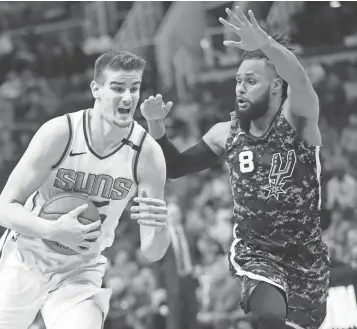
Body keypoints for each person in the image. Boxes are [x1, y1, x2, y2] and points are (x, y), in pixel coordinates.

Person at [139, 7, 330, 329]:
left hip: (306, 256)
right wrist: (156, 126)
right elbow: (175, 166)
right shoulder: (224, 133)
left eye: (251, 81)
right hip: (257, 253)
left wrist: (266, 43)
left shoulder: (297, 120)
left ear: (275, 87)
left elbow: (298, 77)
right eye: (238, 80)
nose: (240, 88)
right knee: (268, 317)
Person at [0, 51, 170, 329]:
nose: (128, 97)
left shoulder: (147, 154)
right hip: (26, 255)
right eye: (117, 88)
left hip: (81, 268)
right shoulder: (60, 133)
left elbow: (152, 252)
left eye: (134, 88)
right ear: (96, 89)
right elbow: (4, 208)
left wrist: (162, 227)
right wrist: (51, 230)